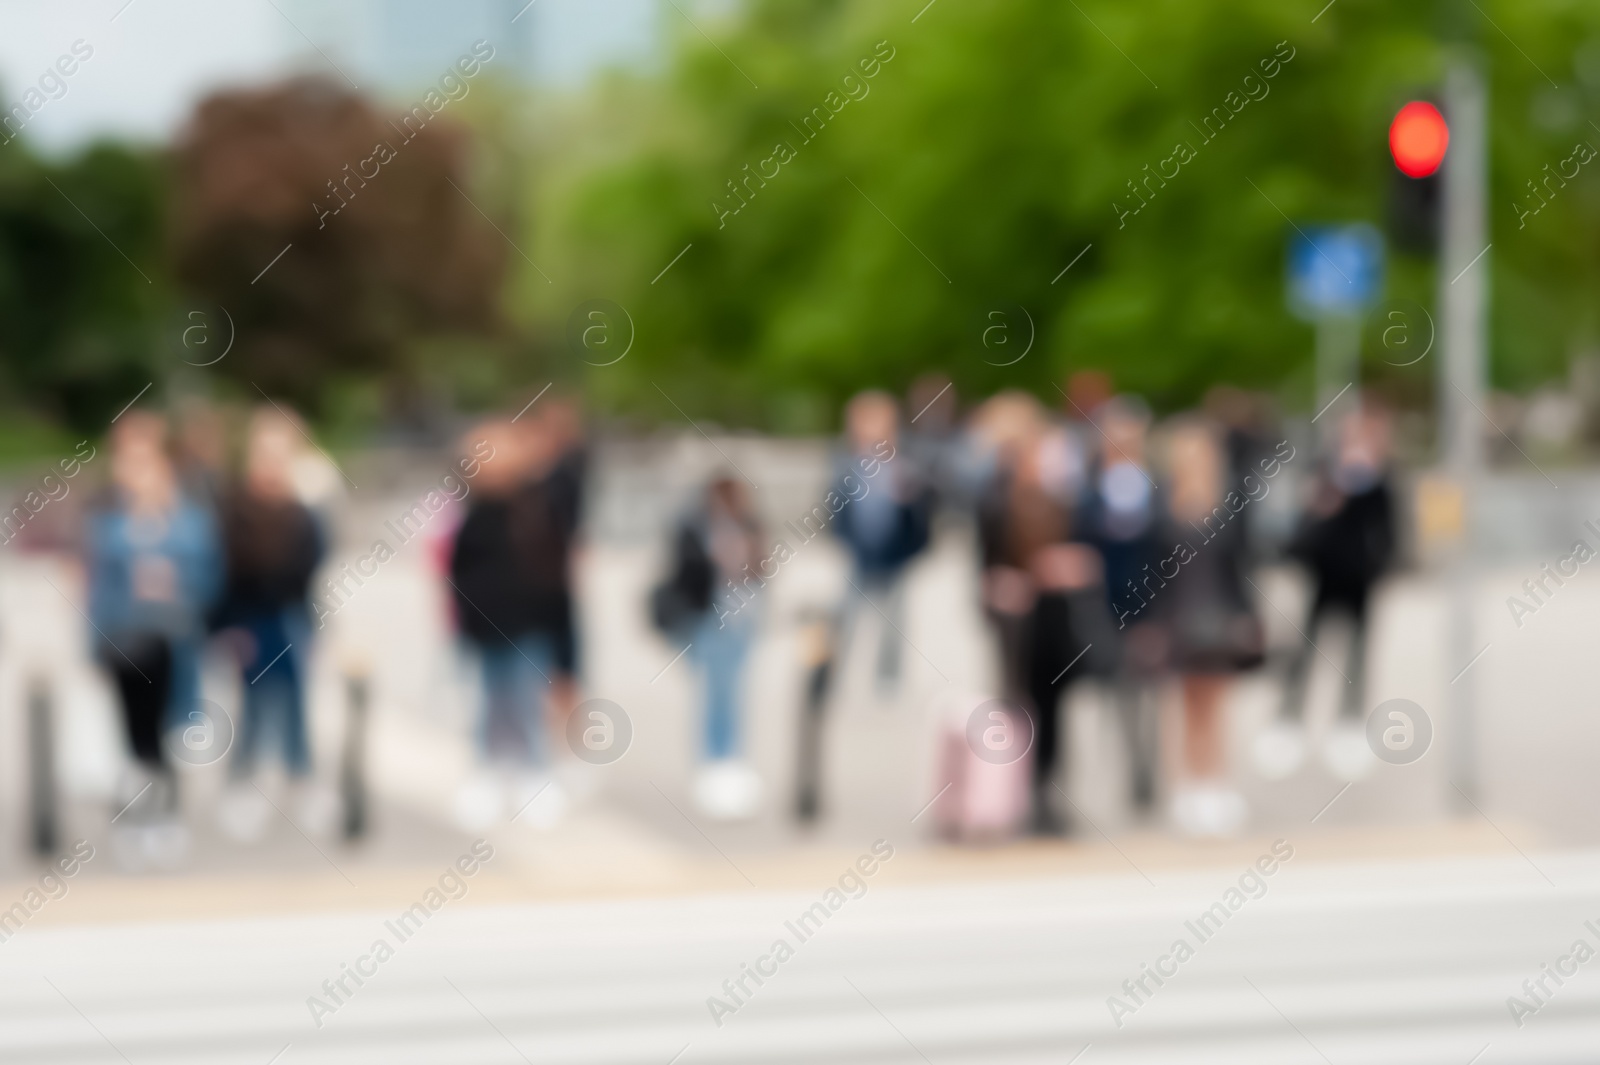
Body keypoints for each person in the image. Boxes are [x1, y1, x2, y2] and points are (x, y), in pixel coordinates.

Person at [86, 410, 220, 864]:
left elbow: (210, 581)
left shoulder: (190, 526)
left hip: (172, 641)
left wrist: (176, 586)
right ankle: (135, 818)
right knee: (133, 739)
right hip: (126, 641)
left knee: (167, 735)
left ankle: (166, 816)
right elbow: (98, 594)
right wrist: (93, 646)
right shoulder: (110, 529)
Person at [1255, 399, 1395, 780]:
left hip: (1361, 584)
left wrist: (1375, 565)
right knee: (1306, 654)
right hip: (1323, 580)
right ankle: (1289, 724)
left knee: (1356, 659)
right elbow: (1300, 534)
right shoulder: (1325, 475)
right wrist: (1327, 505)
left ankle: (1349, 727)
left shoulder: (1383, 480)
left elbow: (1392, 537)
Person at [212, 407, 329, 841]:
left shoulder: (304, 512)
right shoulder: (232, 510)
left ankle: (302, 779)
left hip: (291, 616)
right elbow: (225, 574)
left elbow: (309, 568)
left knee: (296, 702)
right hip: (248, 618)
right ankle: (245, 784)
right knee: (253, 704)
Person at [448, 419, 565, 830]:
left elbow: (553, 580)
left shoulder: (536, 512)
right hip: (485, 631)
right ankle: (487, 774)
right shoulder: (471, 518)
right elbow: (458, 578)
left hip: (528, 628)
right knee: (489, 703)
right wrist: (463, 627)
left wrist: (562, 644)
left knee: (527, 704)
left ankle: (534, 776)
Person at [1159, 419, 1264, 836]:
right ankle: (1189, 785)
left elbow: (1241, 568)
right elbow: (1156, 571)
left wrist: (1249, 614)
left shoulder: (1229, 505)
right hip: (1179, 617)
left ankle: (1217, 784)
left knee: (1217, 705)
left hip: (1219, 614)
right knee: (1187, 707)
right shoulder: (1164, 506)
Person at [1077, 396, 1166, 815]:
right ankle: (1130, 769)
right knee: (1117, 689)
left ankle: (1147, 769)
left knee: (1151, 689)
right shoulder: (1088, 486)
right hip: (1104, 605)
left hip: (1150, 602)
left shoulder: (1158, 484)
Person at [657, 475, 765, 820]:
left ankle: (728, 759)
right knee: (715, 691)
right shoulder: (692, 526)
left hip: (741, 618)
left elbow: (761, 569)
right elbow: (683, 572)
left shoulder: (750, 524)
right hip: (708, 617)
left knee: (731, 692)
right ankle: (712, 760)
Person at [829, 391, 932, 697]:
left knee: (894, 622)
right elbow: (834, 508)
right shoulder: (846, 463)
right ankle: (835, 675)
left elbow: (921, 512)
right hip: (860, 553)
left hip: (894, 553)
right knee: (846, 618)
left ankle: (888, 679)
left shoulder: (903, 464)